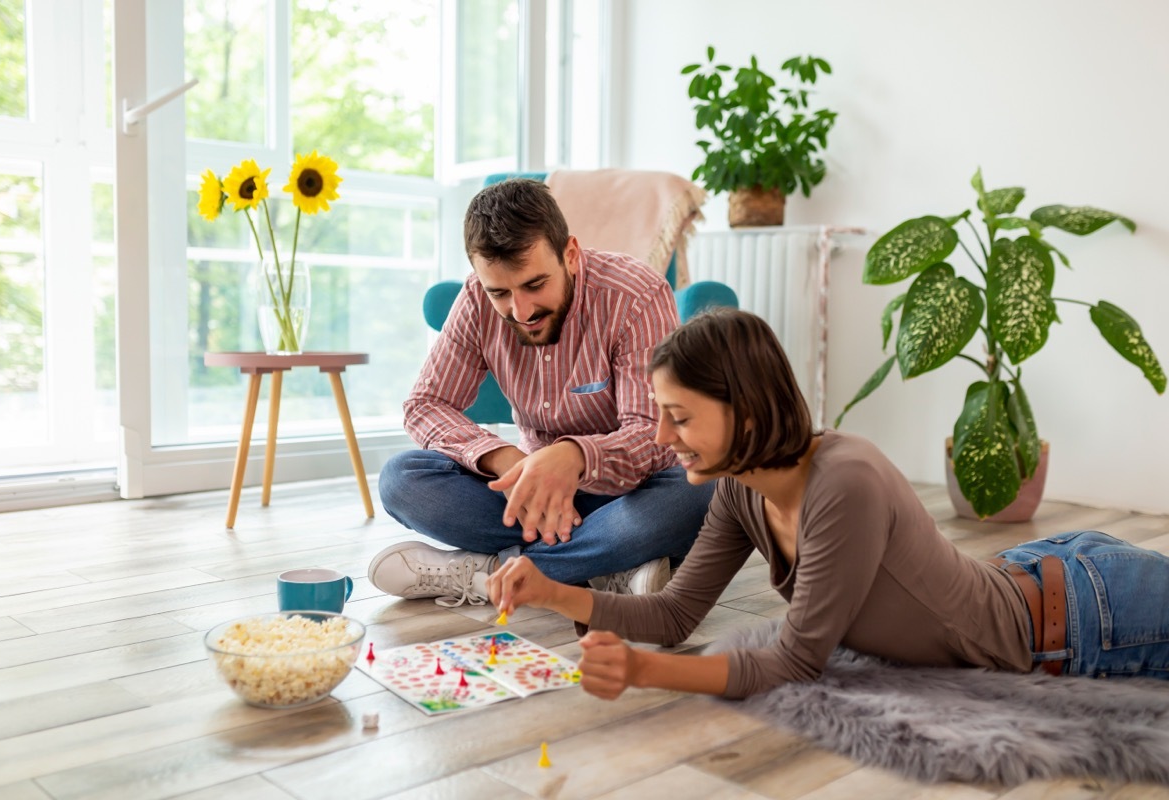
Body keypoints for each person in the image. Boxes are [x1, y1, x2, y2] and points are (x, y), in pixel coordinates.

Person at [486, 307, 1169, 701]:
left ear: (745, 413)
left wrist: (643, 671)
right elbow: (674, 613)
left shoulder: (845, 482)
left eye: (679, 418)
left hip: (1080, 617)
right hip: (1035, 571)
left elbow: (794, 661)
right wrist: (552, 593)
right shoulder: (741, 491)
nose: (663, 438)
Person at [369, 178, 714, 608]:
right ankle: (604, 567)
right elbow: (425, 405)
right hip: (527, 494)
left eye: (534, 285)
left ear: (570, 254)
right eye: (500, 292)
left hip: (628, 492)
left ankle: (486, 574)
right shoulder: (476, 298)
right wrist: (505, 458)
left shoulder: (635, 295)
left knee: (699, 491)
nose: (522, 311)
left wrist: (574, 457)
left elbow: (652, 433)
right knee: (402, 479)